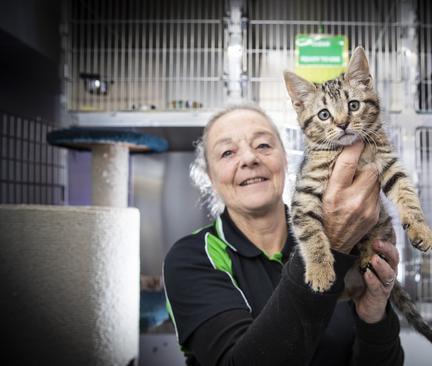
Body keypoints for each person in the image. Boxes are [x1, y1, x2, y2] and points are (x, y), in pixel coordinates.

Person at [163, 103, 404, 365]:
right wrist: (327, 248)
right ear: (210, 176)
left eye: (263, 145)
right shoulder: (192, 258)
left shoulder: (348, 240)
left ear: (285, 159)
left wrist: (374, 318)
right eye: (227, 152)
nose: (249, 159)